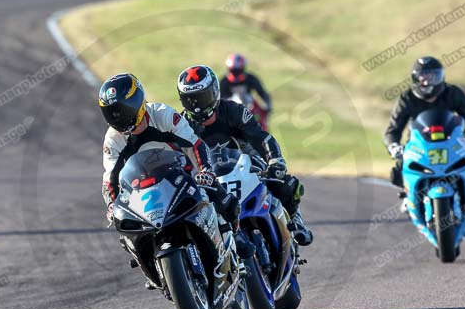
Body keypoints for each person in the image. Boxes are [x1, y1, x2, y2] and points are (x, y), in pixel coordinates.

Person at [99, 72, 254, 261]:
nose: (117, 117)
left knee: (220, 196)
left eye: (121, 110)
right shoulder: (113, 138)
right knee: (124, 226)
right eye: (112, 112)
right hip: (144, 190)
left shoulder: (162, 114)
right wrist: (111, 206)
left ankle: (235, 234)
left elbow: (195, 144)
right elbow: (110, 179)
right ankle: (148, 263)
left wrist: (205, 171)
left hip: (182, 175)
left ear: (137, 103)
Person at [177, 64, 313, 247]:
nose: (197, 105)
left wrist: (275, 161)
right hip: (209, 178)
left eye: (201, 97)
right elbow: (175, 157)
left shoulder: (234, 111)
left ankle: (295, 220)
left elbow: (261, 137)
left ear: (215, 91)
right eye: (190, 99)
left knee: (286, 184)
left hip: (246, 162)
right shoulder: (180, 125)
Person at [384, 56, 465, 191]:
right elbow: (393, 129)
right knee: (398, 170)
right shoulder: (407, 97)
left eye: (431, 76)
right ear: (415, 79)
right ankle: (410, 193)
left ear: (440, 77)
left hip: (452, 142)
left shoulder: (452, 92)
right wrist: (394, 147)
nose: (426, 81)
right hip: (419, 146)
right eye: (422, 77)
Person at [219, 53, 272, 128]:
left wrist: (267, 106)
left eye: (238, 70)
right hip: (231, 109)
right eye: (233, 70)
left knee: (262, 123)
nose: (236, 74)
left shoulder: (251, 79)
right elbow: (219, 99)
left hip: (250, 106)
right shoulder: (224, 82)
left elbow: (262, 93)